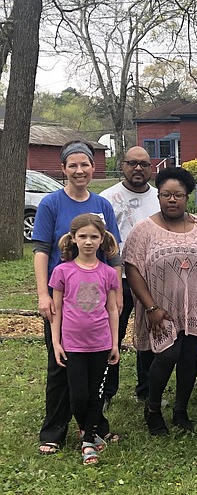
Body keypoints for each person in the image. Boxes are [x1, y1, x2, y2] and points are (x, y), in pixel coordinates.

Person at [124, 167, 197, 436]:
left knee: (188, 357)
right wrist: (150, 307)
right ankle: (153, 408)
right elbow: (133, 268)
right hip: (160, 308)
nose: (172, 200)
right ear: (158, 196)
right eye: (166, 195)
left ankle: (181, 410)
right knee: (167, 353)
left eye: (178, 195)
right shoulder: (144, 230)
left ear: (187, 196)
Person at [33, 139, 123, 455]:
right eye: (73, 165)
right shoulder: (50, 204)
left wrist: (119, 292)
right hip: (63, 299)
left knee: (97, 367)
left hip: (98, 298)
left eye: (84, 164)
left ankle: (95, 426)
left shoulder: (103, 206)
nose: (79, 170)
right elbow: (42, 251)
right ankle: (54, 430)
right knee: (61, 364)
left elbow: (114, 252)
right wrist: (43, 294)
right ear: (63, 169)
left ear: (92, 167)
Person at [49, 214, 120, 465]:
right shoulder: (62, 272)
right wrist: (57, 343)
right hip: (73, 346)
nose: (88, 242)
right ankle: (86, 429)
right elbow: (56, 311)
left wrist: (114, 343)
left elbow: (112, 310)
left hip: (100, 345)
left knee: (96, 395)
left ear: (102, 240)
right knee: (78, 396)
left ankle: (88, 441)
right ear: (73, 239)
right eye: (83, 236)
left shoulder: (108, 273)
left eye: (93, 237)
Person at [100, 146, 160, 403]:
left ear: (151, 168)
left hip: (152, 279)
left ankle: (146, 391)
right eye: (132, 163)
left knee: (150, 336)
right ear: (122, 165)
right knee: (112, 333)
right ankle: (106, 390)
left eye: (144, 164)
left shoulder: (160, 197)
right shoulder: (107, 198)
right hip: (118, 278)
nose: (138, 168)